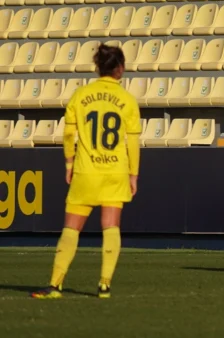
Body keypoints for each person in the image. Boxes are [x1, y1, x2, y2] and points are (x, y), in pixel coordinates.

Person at [32, 44, 142, 299]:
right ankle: (104, 284)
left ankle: (55, 284)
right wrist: (133, 175)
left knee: (71, 228)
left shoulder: (81, 95)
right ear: (120, 69)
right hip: (114, 171)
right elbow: (133, 142)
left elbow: (69, 134)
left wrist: (69, 164)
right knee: (111, 226)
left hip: (86, 170)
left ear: (98, 68)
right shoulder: (127, 100)